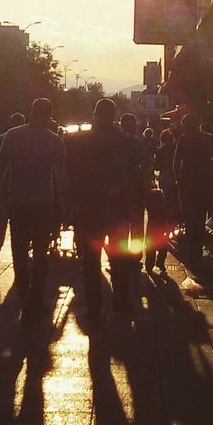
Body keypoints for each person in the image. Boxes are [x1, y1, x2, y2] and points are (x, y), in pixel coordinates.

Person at [0, 98, 67, 321]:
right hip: (43, 203)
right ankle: (36, 299)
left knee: (19, 252)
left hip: (19, 202)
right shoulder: (55, 141)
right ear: (49, 115)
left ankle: (24, 294)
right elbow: (62, 177)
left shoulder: (13, 136)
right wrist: (68, 204)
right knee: (41, 255)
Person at [68, 97, 137, 319]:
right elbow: (131, 176)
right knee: (120, 259)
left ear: (95, 114)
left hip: (90, 209)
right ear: (114, 116)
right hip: (117, 209)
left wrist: (74, 202)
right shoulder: (125, 142)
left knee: (90, 261)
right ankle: (120, 302)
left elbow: (74, 175)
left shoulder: (81, 141)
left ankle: (94, 306)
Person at [174, 113, 213, 259]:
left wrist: (178, 180)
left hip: (191, 183)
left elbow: (176, 162)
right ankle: (197, 247)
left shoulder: (184, 139)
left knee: (191, 216)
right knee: (199, 217)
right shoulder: (208, 138)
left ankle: (194, 248)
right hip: (202, 183)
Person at [0, 111, 26, 267]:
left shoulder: (1, 139)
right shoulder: (27, 139)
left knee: (1, 221)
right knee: (20, 224)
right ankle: (20, 254)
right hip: (20, 187)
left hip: (5, 187)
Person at [116, 112, 151, 271]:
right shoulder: (137, 143)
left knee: (120, 222)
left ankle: (120, 254)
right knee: (136, 223)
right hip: (136, 187)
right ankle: (135, 253)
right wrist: (147, 183)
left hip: (118, 189)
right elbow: (145, 164)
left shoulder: (115, 143)